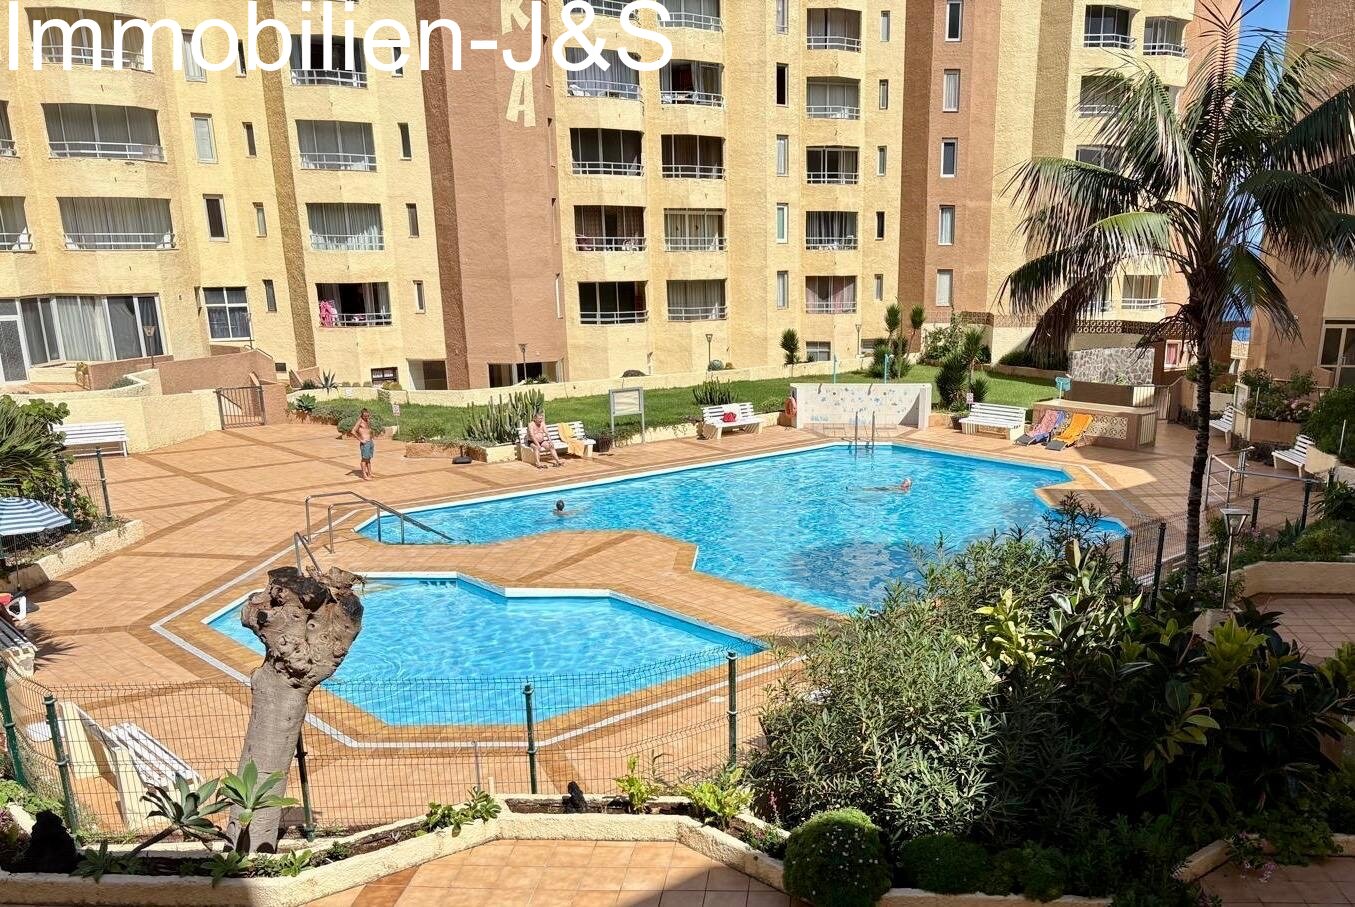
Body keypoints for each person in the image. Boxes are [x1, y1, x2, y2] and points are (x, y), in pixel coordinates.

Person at [351, 408, 375, 480]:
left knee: (368, 458)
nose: (366, 417)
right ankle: (364, 475)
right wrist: (361, 440)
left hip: (370, 442)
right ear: (362, 415)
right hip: (365, 443)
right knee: (364, 459)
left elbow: (368, 430)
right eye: (365, 416)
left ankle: (370, 473)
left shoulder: (367, 421)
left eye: (368, 416)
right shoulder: (360, 421)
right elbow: (353, 431)